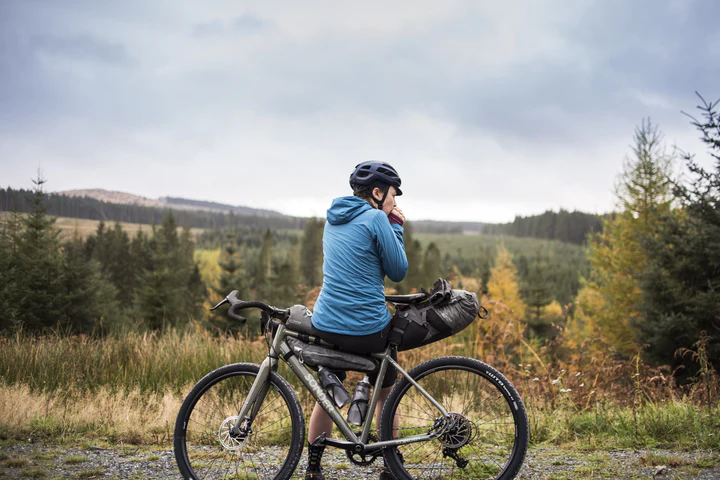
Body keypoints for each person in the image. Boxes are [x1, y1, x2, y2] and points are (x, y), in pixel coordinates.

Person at [305, 161, 408, 480]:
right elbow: (398, 271)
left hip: (325, 324)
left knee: (327, 390)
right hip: (367, 330)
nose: (395, 202)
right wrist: (397, 227)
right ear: (377, 193)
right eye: (393, 194)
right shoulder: (378, 217)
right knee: (386, 386)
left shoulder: (331, 218)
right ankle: (391, 463)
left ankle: (313, 467)